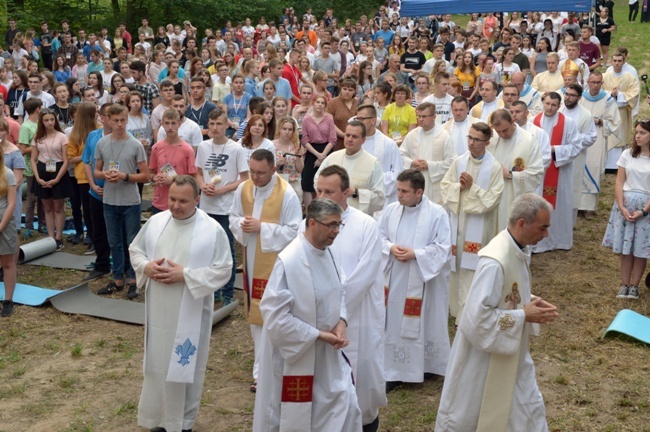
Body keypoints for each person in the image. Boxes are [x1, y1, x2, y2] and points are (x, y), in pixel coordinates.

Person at [435, 193, 559, 431]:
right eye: (542, 228)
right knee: (476, 413)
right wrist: (524, 314)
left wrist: (528, 300)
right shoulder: (495, 261)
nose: (546, 235)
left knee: (525, 408)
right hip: (482, 361)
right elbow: (476, 318)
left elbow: (504, 294)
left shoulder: (515, 249)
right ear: (522, 223)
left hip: (510, 354)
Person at [130, 175, 232, 432]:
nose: (175, 205)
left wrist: (185, 275)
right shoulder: (156, 222)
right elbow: (136, 250)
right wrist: (147, 267)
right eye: (172, 199)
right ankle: (157, 418)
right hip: (159, 306)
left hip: (190, 308)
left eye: (183, 201)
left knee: (184, 365)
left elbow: (223, 269)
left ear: (197, 199)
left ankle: (182, 422)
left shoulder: (211, 230)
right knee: (157, 363)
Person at [252, 198, 362, 432]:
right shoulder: (290, 261)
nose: (336, 231)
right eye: (331, 225)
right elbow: (275, 318)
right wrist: (318, 335)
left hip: (326, 355)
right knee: (297, 417)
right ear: (312, 223)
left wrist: (341, 321)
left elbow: (338, 290)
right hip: (297, 354)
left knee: (345, 404)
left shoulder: (328, 252)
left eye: (339, 225)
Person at [306, 166, 387, 431]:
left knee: (360, 379)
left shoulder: (366, 225)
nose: (321, 196)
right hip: (320, 320)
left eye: (328, 191)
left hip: (357, 317)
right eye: (318, 190)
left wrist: (336, 313)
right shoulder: (310, 224)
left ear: (347, 192)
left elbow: (363, 276)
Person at [229, 149, 302, 392]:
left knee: (273, 314)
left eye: (261, 173)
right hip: (252, 259)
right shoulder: (244, 188)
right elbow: (234, 216)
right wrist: (242, 225)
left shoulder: (287, 194)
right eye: (251, 171)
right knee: (257, 317)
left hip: (276, 263)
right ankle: (260, 370)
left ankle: (273, 366)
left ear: (273, 170)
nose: (255, 177)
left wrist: (262, 228)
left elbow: (294, 231)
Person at [379, 169, 452, 389]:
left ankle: (427, 365)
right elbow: (379, 236)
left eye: (404, 191)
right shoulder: (391, 210)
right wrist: (390, 247)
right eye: (398, 190)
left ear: (419, 192)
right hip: (395, 277)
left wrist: (416, 255)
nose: (398, 195)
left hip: (423, 279)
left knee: (425, 318)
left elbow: (443, 247)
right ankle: (393, 370)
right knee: (394, 321)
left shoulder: (437, 213)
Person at [441, 122, 505, 322]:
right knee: (456, 264)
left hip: (480, 226)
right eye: (469, 138)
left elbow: (493, 199)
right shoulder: (459, 162)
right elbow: (445, 187)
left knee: (473, 266)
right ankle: (453, 308)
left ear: (487, 142)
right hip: (457, 222)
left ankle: (468, 312)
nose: (471, 143)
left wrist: (472, 187)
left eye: (476, 139)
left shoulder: (494, 167)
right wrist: (459, 188)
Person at [94, 104, 150, 299]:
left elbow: (145, 175)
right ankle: (118, 278)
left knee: (132, 242)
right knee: (114, 241)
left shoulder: (135, 145)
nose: (119, 124)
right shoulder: (102, 143)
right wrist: (106, 175)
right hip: (110, 200)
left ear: (127, 120)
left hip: (130, 201)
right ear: (108, 120)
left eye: (122, 120)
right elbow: (96, 171)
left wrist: (125, 176)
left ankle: (134, 279)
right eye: (115, 120)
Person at [195, 109, 249, 305]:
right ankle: (213, 290)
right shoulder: (203, 147)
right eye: (212, 124)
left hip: (226, 207)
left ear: (227, 125)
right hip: (207, 206)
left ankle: (227, 292)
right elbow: (199, 173)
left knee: (226, 250)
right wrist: (202, 186)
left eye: (219, 124)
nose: (215, 128)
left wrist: (224, 189)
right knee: (209, 249)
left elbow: (244, 178)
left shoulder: (235, 149)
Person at [603, 120, 650, 300]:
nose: (638, 136)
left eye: (643, 133)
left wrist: (645, 211)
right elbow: (619, 181)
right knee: (626, 249)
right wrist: (621, 206)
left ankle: (635, 286)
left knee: (640, 249)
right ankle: (624, 284)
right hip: (626, 205)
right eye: (637, 132)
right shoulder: (627, 154)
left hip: (645, 208)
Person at [532, 92, 582, 253]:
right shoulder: (533, 121)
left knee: (560, 205)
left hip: (560, 172)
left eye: (553, 105)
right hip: (539, 171)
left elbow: (576, 147)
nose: (550, 107)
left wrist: (553, 150)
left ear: (559, 106)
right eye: (547, 103)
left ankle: (559, 240)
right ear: (542, 103)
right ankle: (537, 241)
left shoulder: (568, 123)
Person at [487, 109, 545, 231]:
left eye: (505, 130)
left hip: (514, 195)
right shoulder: (492, 138)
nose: (502, 134)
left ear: (513, 120)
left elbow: (536, 173)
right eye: (498, 131)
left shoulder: (528, 140)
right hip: (493, 193)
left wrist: (510, 175)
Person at [315, 121, 385, 216]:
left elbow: (380, 199)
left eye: (354, 136)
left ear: (363, 140)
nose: (350, 139)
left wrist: (356, 192)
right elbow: (316, 181)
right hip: (330, 215)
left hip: (357, 220)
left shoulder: (373, 163)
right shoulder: (332, 158)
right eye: (347, 135)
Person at [580, 71, 622, 217]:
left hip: (597, 137)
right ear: (587, 82)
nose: (595, 85)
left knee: (593, 168)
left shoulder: (608, 99)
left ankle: (589, 208)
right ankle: (577, 205)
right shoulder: (580, 97)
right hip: (580, 137)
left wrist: (600, 121)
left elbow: (615, 122)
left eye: (598, 82)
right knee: (578, 168)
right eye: (593, 82)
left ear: (602, 83)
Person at [31, 108, 73, 251]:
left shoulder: (61, 136)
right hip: (43, 171)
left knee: (58, 208)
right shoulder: (37, 137)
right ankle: (50, 236)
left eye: (51, 119)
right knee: (47, 208)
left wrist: (57, 179)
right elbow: (33, 159)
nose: (49, 123)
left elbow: (66, 161)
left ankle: (58, 237)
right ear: (41, 122)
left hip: (58, 170)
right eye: (46, 120)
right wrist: (37, 177)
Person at [399, 102, 456, 204]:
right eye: (419, 116)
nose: (420, 119)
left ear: (434, 116)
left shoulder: (444, 136)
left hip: (434, 184)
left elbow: (452, 161)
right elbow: (401, 155)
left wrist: (429, 165)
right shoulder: (412, 135)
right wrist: (412, 163)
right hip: (414, 183)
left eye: (424, 116)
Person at [355, 104, 403, 210]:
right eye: (357, 118)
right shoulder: (354, 142)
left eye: (362, 118)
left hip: (382, 199)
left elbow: (397, 174)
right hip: (357, 197)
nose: (358, 122)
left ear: (373, 120)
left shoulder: (388, 144)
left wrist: (372, 182)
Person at [149, 109, 196, 214]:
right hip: (159, 201)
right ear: (162, 124)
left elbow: (193, 178)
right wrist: (154, 177)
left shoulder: (187, 150)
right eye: (167, 123)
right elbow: (151, 172)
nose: (170, 127)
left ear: (179, 124)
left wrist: (174, 181)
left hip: (179, 203)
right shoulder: (156, 148)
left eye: (173, 123)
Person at [602, 53, 640, 171]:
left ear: (624, 62)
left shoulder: (629, 78)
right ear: (611, 62)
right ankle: (606, 164)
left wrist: (618, 95)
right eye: (615, 60)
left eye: (619, 61)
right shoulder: (604, 77)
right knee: (608, 135)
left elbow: (634, 93)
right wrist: (610, 94)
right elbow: (597, 91)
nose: (617, 63)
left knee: (620, 135)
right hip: (607, 112)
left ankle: (618, 165)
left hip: (622, 112)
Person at [301, 95, 337, 209]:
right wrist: (317, 155)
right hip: (312, 151)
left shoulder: (329, 119)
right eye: (318, 102)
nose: (320, 105)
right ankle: (309, 210)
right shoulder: (306, 119)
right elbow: (305, 139)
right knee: (308, 183)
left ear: (325, 106)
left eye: (322, 103)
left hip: (326, 150)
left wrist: (323, 157)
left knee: (325, 181)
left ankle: (324, 208)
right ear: (313, 103)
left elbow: (333, 139)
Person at [0, 120, 18, 317]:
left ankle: (8, 299)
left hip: (4, 223)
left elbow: (12, 203)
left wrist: (1, 226)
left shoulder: (8, 174)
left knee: (7, 262)